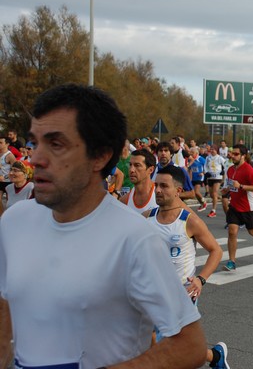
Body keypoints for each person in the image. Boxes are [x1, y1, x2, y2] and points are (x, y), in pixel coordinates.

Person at [0, 84, 206, 367]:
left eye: (56, 144)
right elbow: (6, 301)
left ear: (99, 156)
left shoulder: (134, 238)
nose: (35, 158)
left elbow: (190, 345)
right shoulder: (14, 220)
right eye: (35, 143)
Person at [145, 165, 229, 369]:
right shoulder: (146, 217)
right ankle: (215, 357)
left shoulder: (189, 221)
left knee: (170, 348)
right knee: (152, 341)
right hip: (150, 292)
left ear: (178, 191)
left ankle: (213, 357)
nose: (157, 190)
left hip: (181, 292)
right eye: (156, 185)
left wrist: (200, 280)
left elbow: (215, 251)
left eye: (164, 186)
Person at [221, 144, 253, 271]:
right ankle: (232, 261)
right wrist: (226, 190)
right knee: (232, 232)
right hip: (234, 206)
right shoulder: (230, 169)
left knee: (252, 230)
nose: (232, 156)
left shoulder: (249, 169)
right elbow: (232, 186)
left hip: (249, 206)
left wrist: (241, 186)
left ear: (243, 156)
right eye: (232, 153)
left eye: (236, 154)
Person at [120, 149, 159, 214]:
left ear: (151, 170)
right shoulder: (124, 201)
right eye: (130, 165)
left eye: (137, 165)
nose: (131, 170)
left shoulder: (162, 195)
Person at [205, 145, 227, 218]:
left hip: (218, 177)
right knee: (212, 195)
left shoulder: (220, 158)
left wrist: (223, 171)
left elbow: (226, 165)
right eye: (211, 149)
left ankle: (213, 211)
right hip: (210, 177)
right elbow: (205, 166)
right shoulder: (208, 158)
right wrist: (206, 172)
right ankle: (219, 198)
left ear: (217, 150)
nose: (212, 151)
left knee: (214, 193)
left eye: (213, 149)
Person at [188, 146, 208, 212]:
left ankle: (204, 202)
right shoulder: (190, 159)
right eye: (190, 153)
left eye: (192, 153)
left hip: (199, 177)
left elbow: (207, 167)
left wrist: (203, 173)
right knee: (194, 193)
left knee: (196, 192)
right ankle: (201, 203)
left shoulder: (201, 159)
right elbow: (189, 168)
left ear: (196, 153)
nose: (191, 154)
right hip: (192, 178)